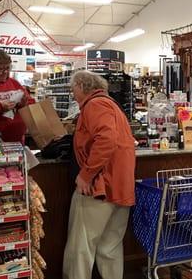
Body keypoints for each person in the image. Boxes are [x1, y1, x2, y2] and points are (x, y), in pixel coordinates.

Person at [63, 70, 135, 279]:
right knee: (110, 247)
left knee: (81, 246)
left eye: (72, 88)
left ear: (81, 86)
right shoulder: (110, 104)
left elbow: (106, 139)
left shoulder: (95, 105)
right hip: (120, 187)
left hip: (100, 186)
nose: (72, 93)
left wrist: (86, 175)